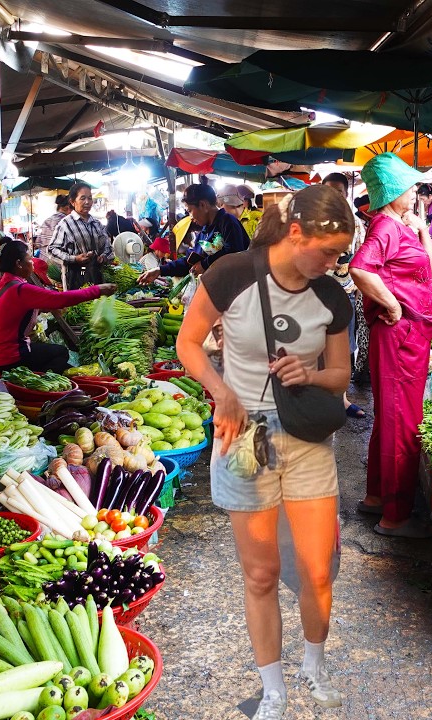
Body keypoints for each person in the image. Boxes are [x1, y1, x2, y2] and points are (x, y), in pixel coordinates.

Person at [176, 184, 354, 720]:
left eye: (341, 253)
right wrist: (221, 389)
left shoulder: (331, 296)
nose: (334, 262)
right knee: (260, 574)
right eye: (327, 252)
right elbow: (188, 342)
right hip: (243, 439)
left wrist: (312, 373)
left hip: (305, 439)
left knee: (317, 570)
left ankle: (315, 668)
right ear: (294, 232)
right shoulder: (231, 273)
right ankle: (272, 689)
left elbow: (342, 375)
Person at [349, 153, 432, 538]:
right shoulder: (384, 226)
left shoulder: (395, 225)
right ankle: (396, 515)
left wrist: (421, 231)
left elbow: (428, 272)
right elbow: (360, 268)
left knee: (391, 414)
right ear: (394, 190)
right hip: (401, 337)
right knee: (403, 420)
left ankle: (376, 498)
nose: (416, 191)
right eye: (411, 186)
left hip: (407, 337)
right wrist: (391, 304)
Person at [0, 238, 115, 374]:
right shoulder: (20, 289)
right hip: (5, 360)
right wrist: (98, 290)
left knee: (52, 355)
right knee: (60, 353)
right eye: (29, 259)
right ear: (19, 264)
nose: (32, 263)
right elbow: (61, 299)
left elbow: (11, 309)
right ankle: (34, 385)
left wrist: (42, 306)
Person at [139, 183, 249, 285]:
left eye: (190, 210)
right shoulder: (203, 233)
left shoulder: (228, 222)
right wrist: (160, 270)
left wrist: (205, 264)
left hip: (237, 291)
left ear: (203, 205)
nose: (190, 216)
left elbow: (234, 254)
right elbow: (189, 262)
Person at [322, 172, 367, 418]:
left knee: (345, 346)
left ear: (346, 193)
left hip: (345, 290)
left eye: (338, 191)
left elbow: (361, 258)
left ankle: (342, 399)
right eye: (329, 191)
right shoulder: (311, 221)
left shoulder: (355, 222)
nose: (334, 196)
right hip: (315, 293)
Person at [47, 182, 113, 290]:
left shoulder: (97, 224)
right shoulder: (65, 224)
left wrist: (103, 257)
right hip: (74, 280)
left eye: (90, 198)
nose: (87, 202)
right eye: (82, 198)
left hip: (97, 278)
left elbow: (108, 248)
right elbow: (52, 249)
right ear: (72, 202)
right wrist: (74, 258)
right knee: (78, 305)